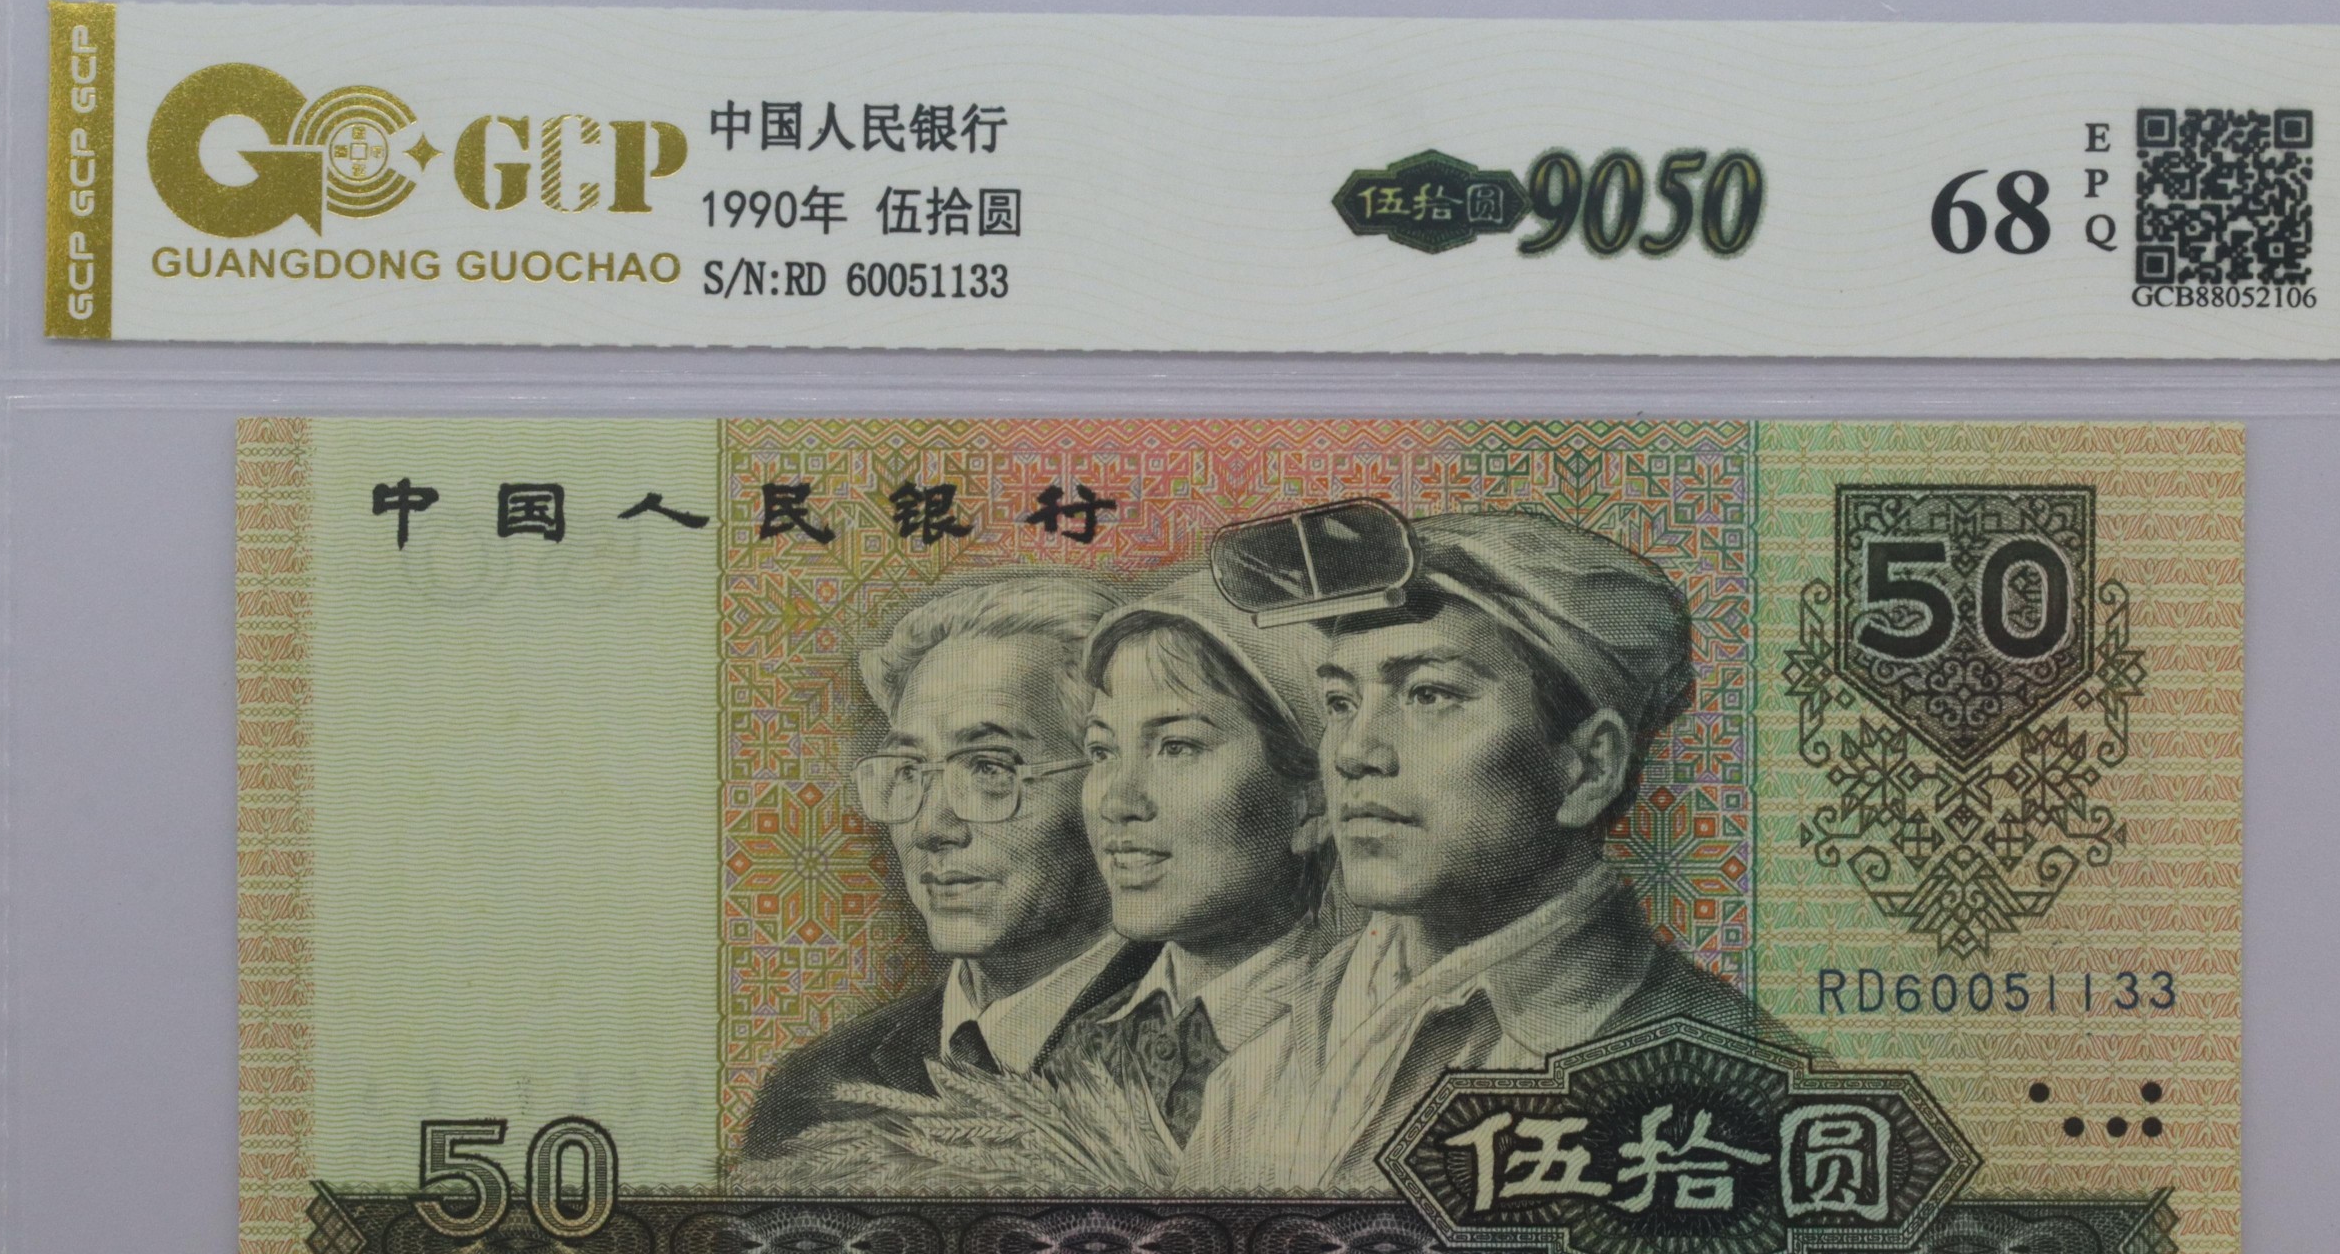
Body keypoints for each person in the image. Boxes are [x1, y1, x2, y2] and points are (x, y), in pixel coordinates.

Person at [1224, 508, 1793, 1195]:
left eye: (1429, 694)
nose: (1353, 752)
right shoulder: (1276, 1042)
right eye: (1341, 702)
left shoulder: (1733, 1086)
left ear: (1588, 768)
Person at [735, 572, 1154, 1162]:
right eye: (908, 771)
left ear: (1109, 781)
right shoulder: (816, 1088)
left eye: (989, 769)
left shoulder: (1209, 1057)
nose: (931, 828)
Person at [1059, 569, 1337, 1178]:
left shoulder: (1358, 1044)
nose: (1118, 801)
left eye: (1177, 747)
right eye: (1102, 752)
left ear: (1313, 802)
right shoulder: (1081, 1046)